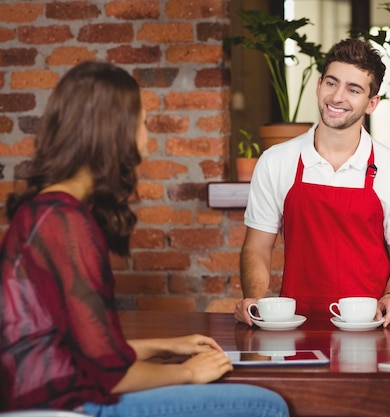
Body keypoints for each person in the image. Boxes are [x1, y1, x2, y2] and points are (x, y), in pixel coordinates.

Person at [0, 61, 289, 417]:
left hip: (51, 389)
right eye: (143, 123)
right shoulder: (65, 222)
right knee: (265, 405)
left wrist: (160, 346)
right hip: (63, 402)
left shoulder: (47, 210)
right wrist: (187, 371)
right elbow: (108, 374)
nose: (147, 139)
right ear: (114, 132)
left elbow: (80, 347)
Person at [234, 38, 390, 327]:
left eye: (353, 89)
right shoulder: (276, 162)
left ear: (372, 103)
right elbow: (257, 248)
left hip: (368, 325)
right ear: (319, 84)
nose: (337, 97)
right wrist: (254, 298)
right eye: (331, 83)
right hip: (293, 326)